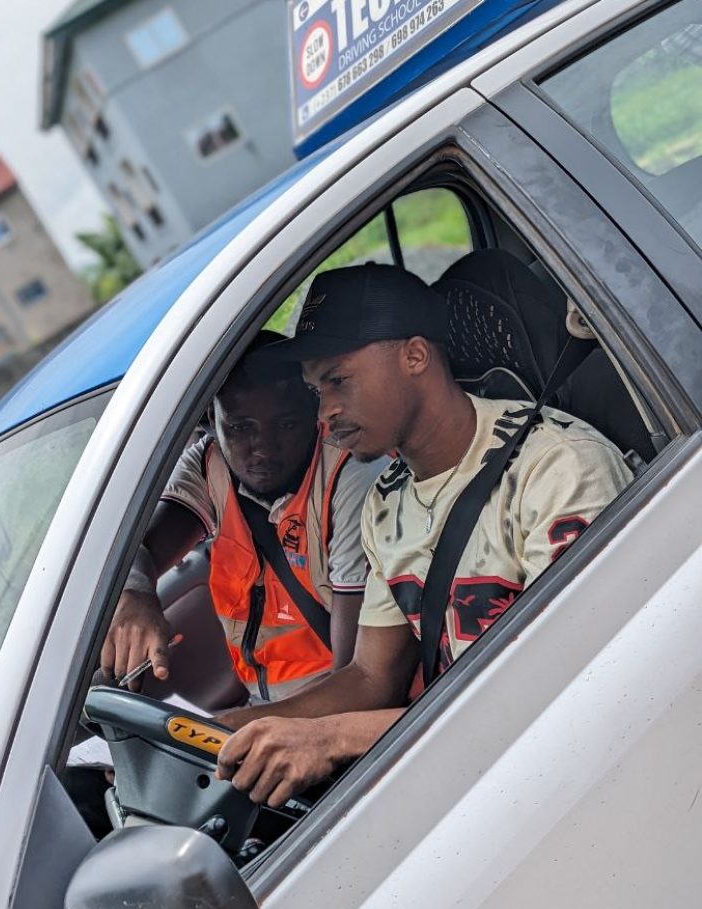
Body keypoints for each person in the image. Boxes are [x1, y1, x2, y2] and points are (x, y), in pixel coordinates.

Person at [214, 263, 633, 807]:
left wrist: (334, 738)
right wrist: (229, 729)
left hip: (582, 766)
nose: (325, 413)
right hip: (476, 765)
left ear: (415, 356)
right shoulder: (387, 501)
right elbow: (369, 677)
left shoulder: (554, 468)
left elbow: (563, 682)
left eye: (338, 381)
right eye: (316, 392)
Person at [101, 333, 383, 703]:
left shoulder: (349, 476)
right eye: (240, 428)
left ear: (313, 414)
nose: (263, 448)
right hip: (265, 704)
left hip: (337, 712)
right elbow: (138, 548)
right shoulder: (210, 465)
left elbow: (356, 680)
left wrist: (240, 730)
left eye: (285, 424)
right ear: (211, 423)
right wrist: (136, 592)